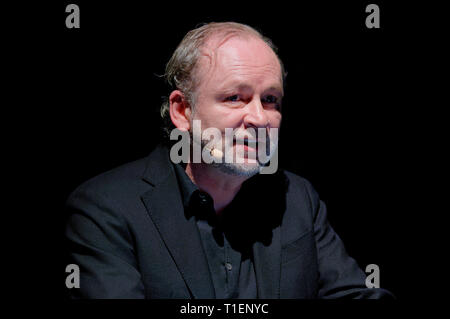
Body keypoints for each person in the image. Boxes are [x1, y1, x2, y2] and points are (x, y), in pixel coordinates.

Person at [64, 22, 394, 299]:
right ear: (182, 110)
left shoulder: (297, 198)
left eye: (270, 100)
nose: (259, 118)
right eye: (235, 98)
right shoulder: (105, 207)